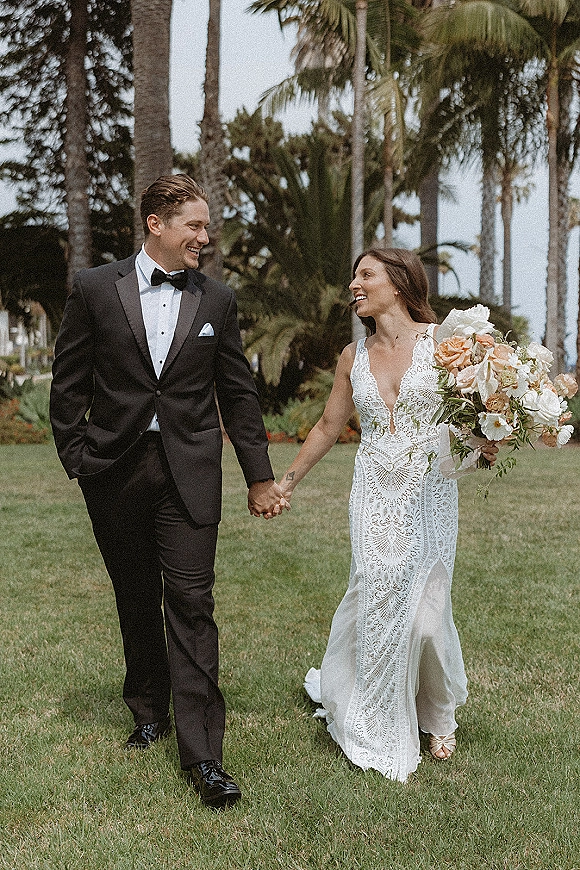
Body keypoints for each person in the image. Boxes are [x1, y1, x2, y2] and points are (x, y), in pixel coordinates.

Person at [50, 174, 285, 809]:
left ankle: (204, 755)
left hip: (190, 469)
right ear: (156, 223)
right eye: (195, 226)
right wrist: (78, 457)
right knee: (134, 593)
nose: (205, 239)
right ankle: (147, 708)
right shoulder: (96, 289)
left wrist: (258, 475)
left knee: (190, 601)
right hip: (114, 469)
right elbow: (68, 380)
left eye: (206, 228)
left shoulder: (217, 299)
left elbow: (237, 389)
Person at [277, 248, 497, 783]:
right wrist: (283, 484)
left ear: (398, 284)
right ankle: (374, 712)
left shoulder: (447, 346)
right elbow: (330, 427)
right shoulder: (353, 357)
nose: (353, 284)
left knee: (425, 615)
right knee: (376, 597)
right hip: (373, 492)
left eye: (365, 274)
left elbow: (478, 414)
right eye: (353, 275)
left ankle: (436, 712)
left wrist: (491, 436)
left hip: (429, 493)